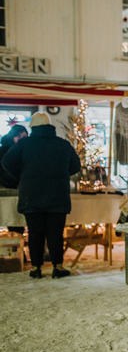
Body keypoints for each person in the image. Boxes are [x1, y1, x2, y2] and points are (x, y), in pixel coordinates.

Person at [1, 112, 81, 278]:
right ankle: (57, 267)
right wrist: (62, 174)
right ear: (50, 127)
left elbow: (6, 162)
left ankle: (35, 269)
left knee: (34, 233)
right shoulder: (63, 144)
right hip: (57, 196)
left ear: (33, 128)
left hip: (31, 197)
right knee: (55, 233)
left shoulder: (24, 144)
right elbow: (75, 166)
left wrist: (21, 176)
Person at [0, 124, 29, 237]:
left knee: (16, 222)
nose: (22, 139)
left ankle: (18, 249)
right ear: (13, 137)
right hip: (8, 190)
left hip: (18, 189)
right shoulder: (5, 150)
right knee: (14, 221)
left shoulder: (24, 150)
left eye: (24, 137)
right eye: (19, 137)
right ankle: (17, 249)